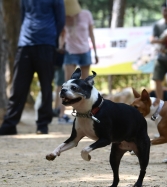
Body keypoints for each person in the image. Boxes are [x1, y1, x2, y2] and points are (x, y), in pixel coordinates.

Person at [0, 0, 65, 135]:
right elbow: (23, 16)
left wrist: (50, 36)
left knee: (46, 86)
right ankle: (9, 124)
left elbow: (61, 20)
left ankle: (42, 125)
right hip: (25, 43)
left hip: (46, 44)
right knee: (18, 87)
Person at [60, 0, 98, 81]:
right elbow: (62, 35)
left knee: (85, 83)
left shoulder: (86, 14)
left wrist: (95, 53)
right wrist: (60, 46)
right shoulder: (63, 17)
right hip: (70, 52)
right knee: (69, 83)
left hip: (85, 51)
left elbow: (91, 34)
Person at [150, 3, 167, 100]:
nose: (166, 13)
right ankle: (160, 102)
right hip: (160, 57)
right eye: (164, 10)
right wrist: (161, 41)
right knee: (157, 79)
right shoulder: (158, 25)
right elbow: (151, 39)